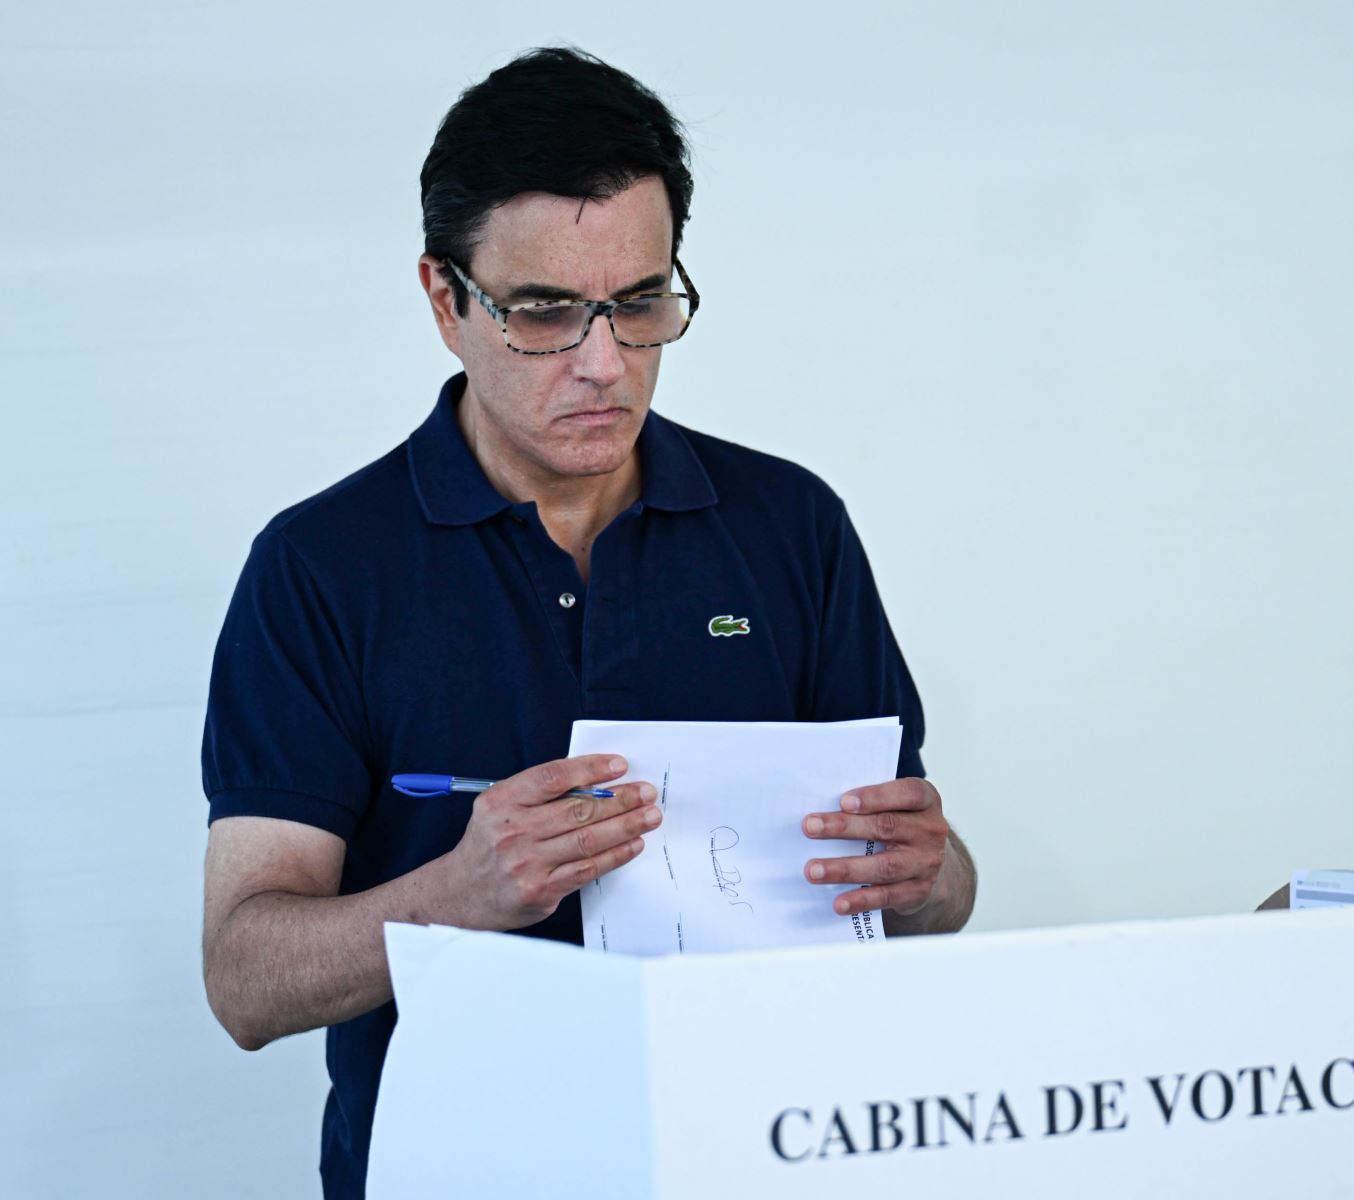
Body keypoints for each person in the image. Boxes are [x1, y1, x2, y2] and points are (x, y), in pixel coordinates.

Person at [199, 46, 976, 1199]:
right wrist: (453, 897)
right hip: (454, 1171)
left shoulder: (790, 525)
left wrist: (925, 878)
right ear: (443, 300)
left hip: (769, 1159)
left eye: (642, 304)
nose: (605, 365)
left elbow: (940, 897)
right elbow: (245, 982)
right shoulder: (319, 569)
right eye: (544, 313)